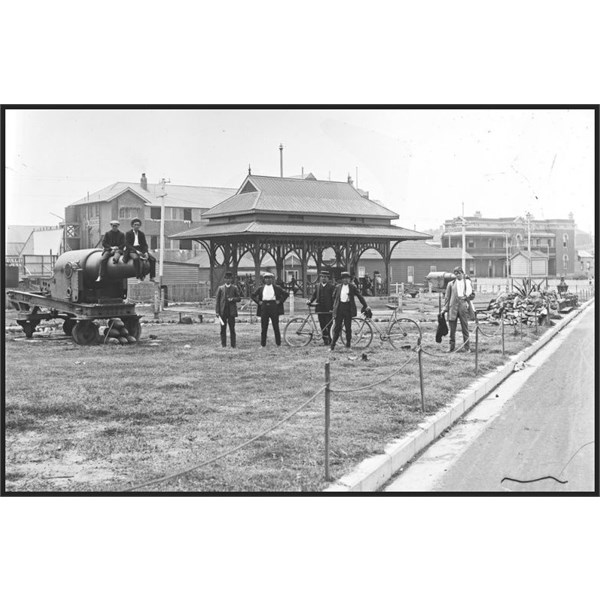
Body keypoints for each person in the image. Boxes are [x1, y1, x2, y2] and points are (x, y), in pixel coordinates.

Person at [330, 271, 370, 351]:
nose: (346, 280)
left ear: (350, 279)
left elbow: (359, 296)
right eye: (344, 278)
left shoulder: (352, 287)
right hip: (339, 308)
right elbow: (334, 297)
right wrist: (335, 306)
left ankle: (348, 346)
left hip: (348, 308)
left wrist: (365, 305)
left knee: (348, 328)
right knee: (337, 328)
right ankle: (332, 346)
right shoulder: (338, 287)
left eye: (347, 278)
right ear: (341, 280)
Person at [442, 266, 475, 352]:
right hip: (452, 308)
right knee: (452, 329)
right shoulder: (451, 284)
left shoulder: (467, 283)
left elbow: (473, 295)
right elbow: (447, 298)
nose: (457, 276)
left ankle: (467, 347)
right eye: (456, 274)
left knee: (465, 328)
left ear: (462, 273)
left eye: (459, 274)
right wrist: (445, 309)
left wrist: (467, 297)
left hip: (463, 306)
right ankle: (451, 347)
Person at [251, 272, 289, 347]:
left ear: (272, 279)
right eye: (266, 278)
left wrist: (280, 301)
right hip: (264, 306)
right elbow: (253, 295)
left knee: (276, 325)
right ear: (264, 280)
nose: (268, 280)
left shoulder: (276, 288)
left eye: (269, 278)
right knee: (264, 326)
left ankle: (278, 343)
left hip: (274, 306)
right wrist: (259, 302)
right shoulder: (261, 288)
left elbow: (286, 294)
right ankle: (263, 344)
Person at [123, 218, 157, 282]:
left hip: (140, 250)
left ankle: (152, 277)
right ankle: (139, 276)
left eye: (138, 225)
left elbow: (144, 244)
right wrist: (136, 251)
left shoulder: (141, 234)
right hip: (131, 250)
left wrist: (146, 252)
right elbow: (127, 244)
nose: (137, 226)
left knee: (153, 259)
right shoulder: (128, 233)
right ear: (132, 225)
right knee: (136, 259)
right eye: (135, 225)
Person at [308, 270, 335, 345]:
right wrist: (310, 301)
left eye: (325, 277)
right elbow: (314, 295)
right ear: (320, 278)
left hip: (328, 309)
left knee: (329, 325)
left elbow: (334, 298)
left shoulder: (331, 286)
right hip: (320, 309)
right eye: (322, 277)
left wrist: (332, 308)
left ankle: (331, 339)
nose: (323, 278)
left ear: (328, 278)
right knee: (322, 324)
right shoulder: (317, 286)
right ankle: (325, 340)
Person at [215, 272, 241, 348]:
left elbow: (239, 298)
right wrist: (217, 312)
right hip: (223, 311)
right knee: (223, 329)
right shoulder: (220, 288)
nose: (228, 280)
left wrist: (233, 299)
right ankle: (223, 344)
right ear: (224, 279)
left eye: (229, 278)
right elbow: (217, 301)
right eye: (226, 278)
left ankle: (233, 345)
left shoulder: (234, 288)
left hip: (231, 312)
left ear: (231, 279)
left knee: (232, 328)